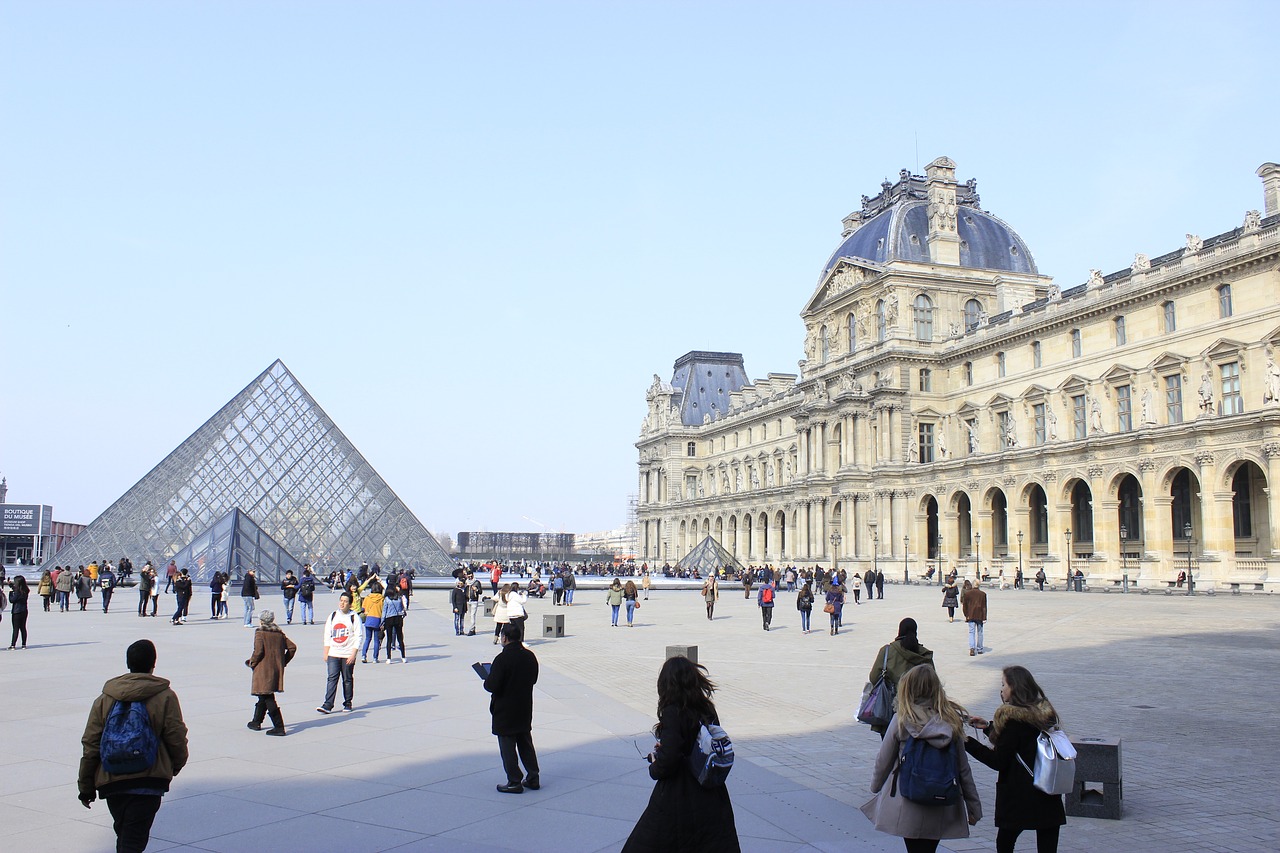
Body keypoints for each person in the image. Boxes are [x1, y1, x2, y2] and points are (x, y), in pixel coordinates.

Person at [78, 639, 189, 853]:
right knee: (132, 841)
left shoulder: (104, 698)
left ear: (128, 663)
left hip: (112, 780)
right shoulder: (165, 695)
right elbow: (176, 735)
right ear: (153, 663)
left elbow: (91, 744)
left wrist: (86, 785)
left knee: (125, 835)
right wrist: (175, 765)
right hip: (149, 780)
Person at [622, 655, 740, 852]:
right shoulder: (706, 708)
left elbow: (670, 758)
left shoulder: (673, 711)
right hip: (709, 790)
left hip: (679, 794)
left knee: (651, 842)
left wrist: (654, 765)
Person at [860, 664, 982, 853]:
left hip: (908, 798)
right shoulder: (950, 721)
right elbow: (963, 768)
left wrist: (875, 786)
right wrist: (973, 806)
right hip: (941, 800)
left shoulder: (902, 718)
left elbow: (883, 759)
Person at [966, 666, 1067, 853]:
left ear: (1015, 688)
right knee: (1047, 846)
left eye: (1003, 684)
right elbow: (1022, 744)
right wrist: (989, 727)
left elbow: (998, 760)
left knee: (1005, 843)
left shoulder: (1012, 721)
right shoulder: (1045, 715)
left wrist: (967, 742)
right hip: (1048, 791)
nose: (1001, 689)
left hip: (1020, 795)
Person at [484, 622, 541, 794]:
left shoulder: (502, 659)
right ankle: (533, 777)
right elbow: (533, 679)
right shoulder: (530, 656)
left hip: (505, 708)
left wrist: (487, 679)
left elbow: (492, 685)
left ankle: (514, 781)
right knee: (525, 743)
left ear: (505, 638)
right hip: (524, 706)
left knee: (507, 745)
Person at [867, 618, 936, 738]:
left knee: (890, 748)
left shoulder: (888, 651)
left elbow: (873, 677)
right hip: (920, 713)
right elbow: (933, 682)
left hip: (891, 708)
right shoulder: (924, 655)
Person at [246, 610, 297, 736]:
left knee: (268, 696)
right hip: (275, 669)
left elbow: (258, 651)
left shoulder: (260, 632)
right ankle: (256, 721)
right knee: (263, 695)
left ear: (262, 621)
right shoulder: (279, 633)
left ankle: (279, 726)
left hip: (263, 669)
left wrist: (252, 662)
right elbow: (292, 647)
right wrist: (283, 661)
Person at [317, 592, 360, 714]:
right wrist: (326, 652)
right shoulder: (333, 615)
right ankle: (327, 704)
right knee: (332, 678)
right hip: (334, 653)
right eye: (341, 600)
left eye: (346, 601)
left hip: (347, 654)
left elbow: (358, 637)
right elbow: (327, 634)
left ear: (350, 604)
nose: (342, 603)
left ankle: (347, 703)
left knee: (347, 679)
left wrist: (353, 654)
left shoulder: (354, 617)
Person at [360, 579, 385, 664]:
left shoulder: (367, 597)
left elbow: (363, 609)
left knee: (367, 639)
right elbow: (383, 611)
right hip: (377, 619)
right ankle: (375, 658)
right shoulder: (382, 599)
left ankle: (363, 655)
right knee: (376, 640)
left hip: (369, 619)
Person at [961, 580, 988, 656]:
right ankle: (979, 649)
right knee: (980, 633)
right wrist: (984, 617)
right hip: (980, 615)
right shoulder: (983, 594)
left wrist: (966, 615)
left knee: (971, 632)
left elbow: (965, 606)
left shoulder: (967, 594)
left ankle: (972, 648)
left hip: (971, 615)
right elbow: (984, 607)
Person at [381, 582, 407, 663]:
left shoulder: (387, 600)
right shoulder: (399, 598)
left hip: (389, 619)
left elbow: (384, 611)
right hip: (398, 618)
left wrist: (382, 622)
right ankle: (403, 656)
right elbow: (403, 608)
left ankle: (388, 658)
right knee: (400, 638)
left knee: (389, 639)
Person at [8, 575, 30, 649]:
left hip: (16, 611)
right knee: (23, 628)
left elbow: (12, 600)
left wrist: (10, 593)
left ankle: (13, 645)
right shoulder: (26, 590)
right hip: (24, 611)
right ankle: (24, 644)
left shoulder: (17, 592)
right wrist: (11, 585)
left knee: (16, 628)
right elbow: (17, 589)